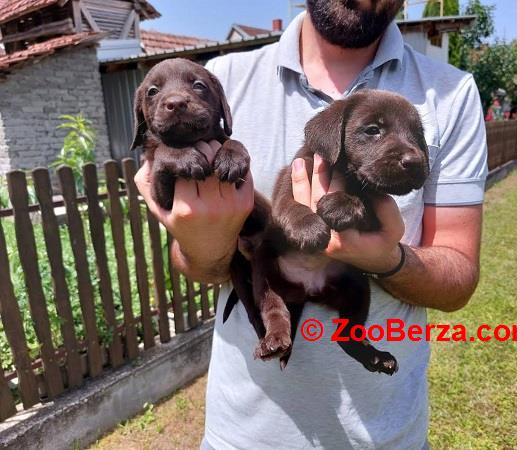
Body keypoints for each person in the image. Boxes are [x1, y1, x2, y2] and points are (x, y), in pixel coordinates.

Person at [135, 1, 487, 448]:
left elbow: (458, 280)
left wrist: (388, 260)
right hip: (245, 433)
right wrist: (207, 244)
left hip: (381, 435)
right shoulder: (220, 81)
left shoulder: (450, 93)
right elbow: (200, 263)